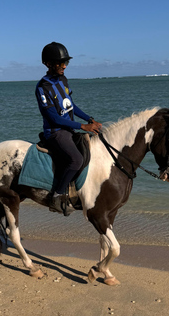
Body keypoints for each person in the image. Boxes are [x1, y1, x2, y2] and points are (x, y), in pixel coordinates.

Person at [35, 42, 102, 216]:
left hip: (69, 130)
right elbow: (54, 118)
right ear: (49, 64)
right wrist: (83, 126)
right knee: (76, 160)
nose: (64, 66)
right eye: (60, 63)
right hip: (56, 133)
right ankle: (56, 196)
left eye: (66, 62)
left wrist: (89, 118)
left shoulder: (63, 80)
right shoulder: (43, 87)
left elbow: (71, 106)